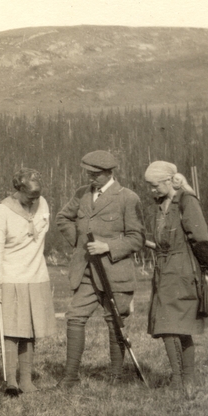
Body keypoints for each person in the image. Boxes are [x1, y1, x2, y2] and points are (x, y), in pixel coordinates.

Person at [55, 150, 145, 388]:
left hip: (116, 272)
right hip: (86, 270)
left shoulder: (128, 198)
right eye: (88, 174)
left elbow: (137, 239)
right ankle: (70, 377)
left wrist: (108, 246)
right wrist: (80, 243)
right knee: (74, 317)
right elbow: (62, 218)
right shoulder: (82, 194)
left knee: (115, 321)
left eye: (95, 174)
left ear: (109, 173)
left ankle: (116, 378)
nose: (90, 178)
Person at [142, 161, 208, 395]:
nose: (152, 191)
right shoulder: (161, 205)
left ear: (168, 181)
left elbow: (201, 238)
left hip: (183, 271)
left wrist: (206, 264)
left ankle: (182, 380)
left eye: (155, 186)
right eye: (149, 187)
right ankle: (184, 380)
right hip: (164, 271)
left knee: (172, 326)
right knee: (175, 326)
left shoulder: (187, 201)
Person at [0, 168, 57, 395]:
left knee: (30, 330)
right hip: (10, 277)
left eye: (37, 196)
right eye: (30, 196)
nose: (34, 200)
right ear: (18, 190)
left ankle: (26, 380)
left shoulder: (42, 203)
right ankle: (11, 382)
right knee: (12, 331)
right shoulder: (2, 211)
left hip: (36, 276)